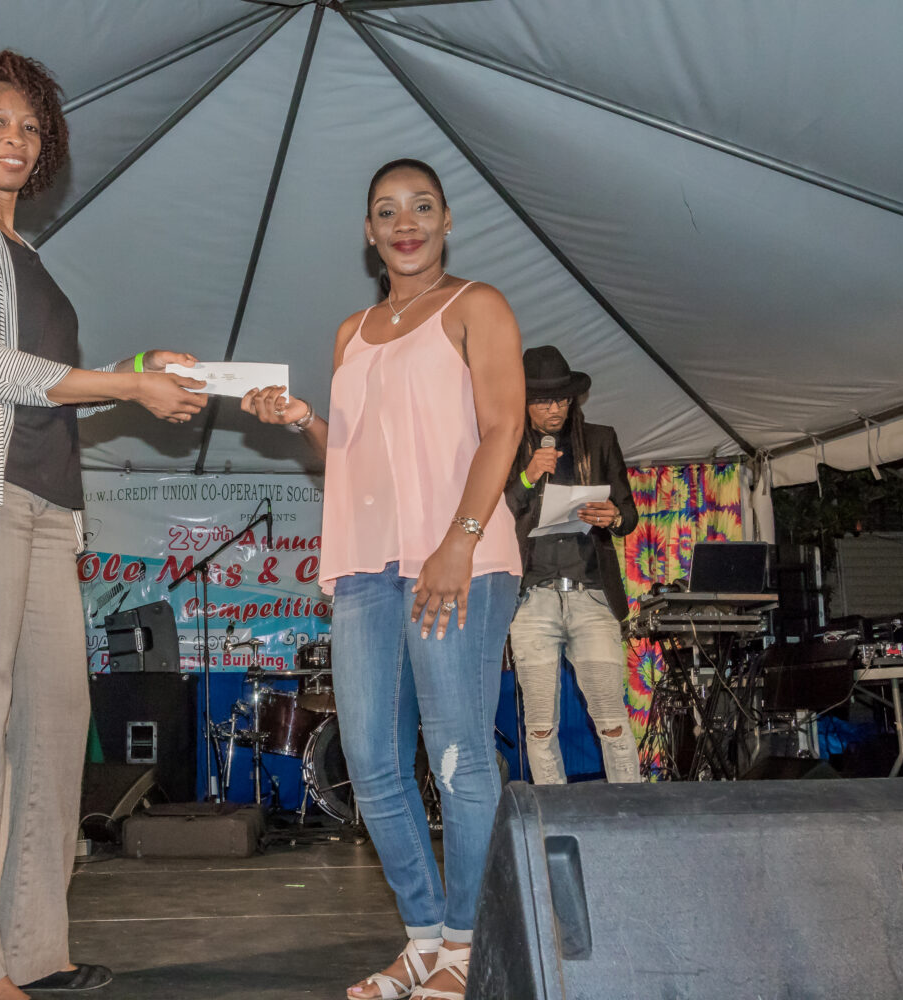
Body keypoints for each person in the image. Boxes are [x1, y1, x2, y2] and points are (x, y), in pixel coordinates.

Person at [0, 50, 208, 1000]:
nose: (15, 139)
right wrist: (129, 386)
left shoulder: (21, 251)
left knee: (58, 723)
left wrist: (141, 370)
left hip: (44, 504)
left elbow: (49, 385)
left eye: (30, 126)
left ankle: (30, 952)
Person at [242, 159, 524, 1000]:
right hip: (368, 565)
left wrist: (458, 541)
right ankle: (426, 940)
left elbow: (503, 427)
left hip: (457, 560)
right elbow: (352, 454)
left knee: (459, 754)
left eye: (422, 207)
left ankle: (471, 945)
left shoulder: (476, 305)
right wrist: (304, 420)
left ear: (447, 221)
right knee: (368, 763)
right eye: (387, 211)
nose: (406, 223)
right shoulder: (351, 332)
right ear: (369, 232)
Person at [504, 347, 641, 784]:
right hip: (532, 600)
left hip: (591, 596)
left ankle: (632, 812)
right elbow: (493, 513)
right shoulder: (507, 445)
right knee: (540, 727)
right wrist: (527, 476)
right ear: (525, 402)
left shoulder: (600, 440)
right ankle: (554, 814)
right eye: (544, 401)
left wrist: (613, 517)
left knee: (612, 720)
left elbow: (629, 513)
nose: (555, 409)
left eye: (562, 399)